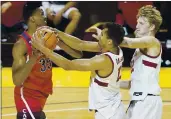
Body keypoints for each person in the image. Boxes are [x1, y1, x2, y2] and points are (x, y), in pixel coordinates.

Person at [32, 22, 126, 119]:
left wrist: (43, 49)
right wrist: (57, 32)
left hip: (108, 114)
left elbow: (68, 65)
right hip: (115, 107)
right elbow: (81, 44)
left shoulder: (103, 60)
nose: (99, 36)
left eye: (102, 35)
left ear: (109, 41)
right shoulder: (115, 49)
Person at [12, 2, 82, 119]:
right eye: (41, 14)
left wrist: (60, 41)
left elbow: (77, 54)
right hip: (27, 95)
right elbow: (17, 81)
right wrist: (34, 58)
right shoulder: (22, 44)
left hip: (43, 92)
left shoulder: (47, 37)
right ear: (32, 19)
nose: (45, 16)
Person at [119, 5, 163, 119]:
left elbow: (129, 43)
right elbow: (132, 83)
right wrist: (111, 82)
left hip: (147, 102)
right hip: (138, 101)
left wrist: (109, 37)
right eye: (137, 23)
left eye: (142, 23)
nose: (137, 27)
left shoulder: (152, 42)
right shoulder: (140, 49)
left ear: (152, 26)